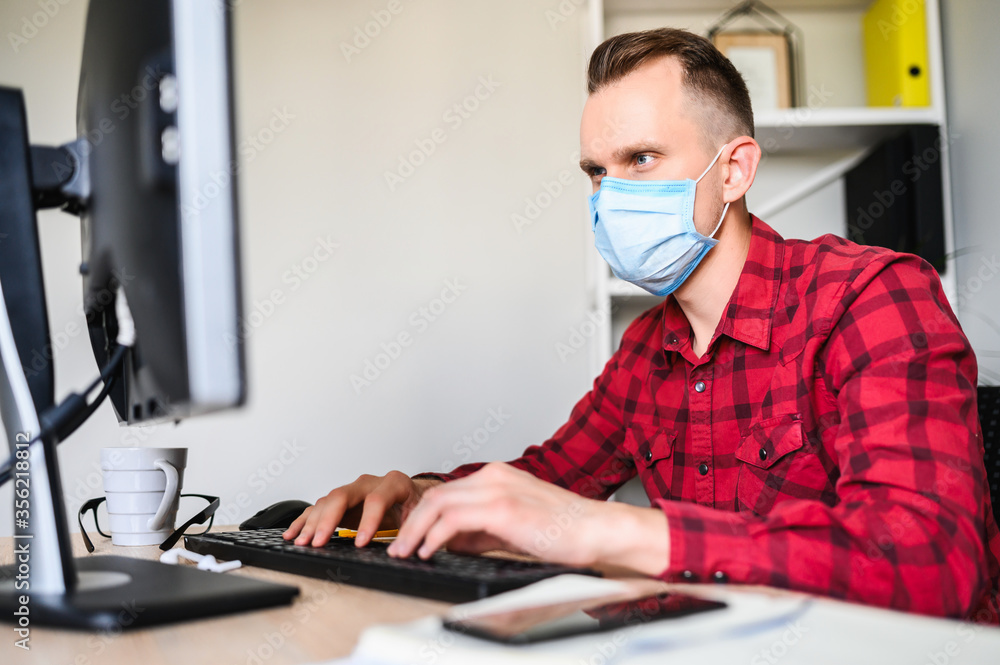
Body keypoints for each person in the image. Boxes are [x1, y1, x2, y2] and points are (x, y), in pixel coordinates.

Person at [285, 27, 1000, 622]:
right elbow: (547, 479)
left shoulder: (871, 296)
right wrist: (421, 493)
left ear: (735, 170)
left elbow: (932, 563)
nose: (610, 195)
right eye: (597, 171)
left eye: (642, 159)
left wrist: (611, 528)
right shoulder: (646, 348)